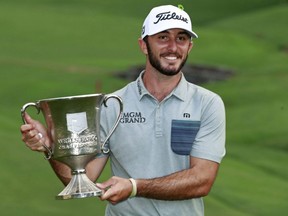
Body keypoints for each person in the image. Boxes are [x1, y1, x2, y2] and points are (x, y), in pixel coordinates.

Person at [20, 4, 226, 216]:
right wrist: (50, 147)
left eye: (181, 38)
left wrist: (134, 187)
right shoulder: (112, 104)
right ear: (144, 45)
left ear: (189, 47)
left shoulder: (207, 104)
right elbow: (82, 178)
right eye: (163, 37)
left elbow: (202, 180)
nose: (173, 47)